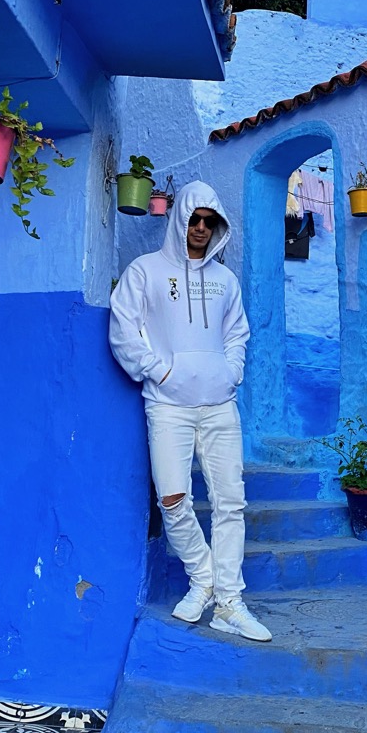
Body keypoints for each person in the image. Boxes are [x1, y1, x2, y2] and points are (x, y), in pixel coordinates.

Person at [109, 180, 271, 642]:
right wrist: (160, 372)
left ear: (217, 226)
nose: (201, 228)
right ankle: (204, 580)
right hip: (168, 407)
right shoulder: (145, 272)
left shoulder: (225, 281)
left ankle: (230, 603)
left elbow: (237, 333)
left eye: (210, 222)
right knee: (173, 500)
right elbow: (124, 332)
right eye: (194, 219)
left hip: (220, 405)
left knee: (230, 504)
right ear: (179, 218)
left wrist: (231, 371)